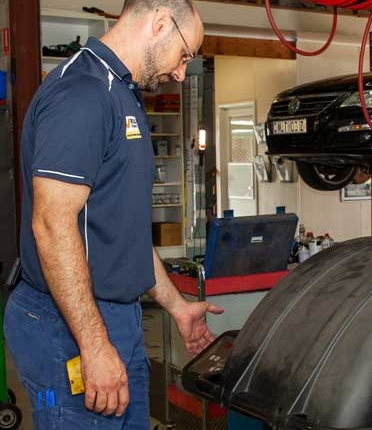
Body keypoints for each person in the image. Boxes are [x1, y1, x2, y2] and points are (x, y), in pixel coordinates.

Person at [4, 1, 223, 429]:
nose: (181, 73)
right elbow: (51, 225)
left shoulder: (122, 93)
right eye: (184, 56)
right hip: (67, 324)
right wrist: (94, 344)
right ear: (160, 23)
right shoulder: (82, 94)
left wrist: (176, 306)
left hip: (111, 319)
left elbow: (122, 233)